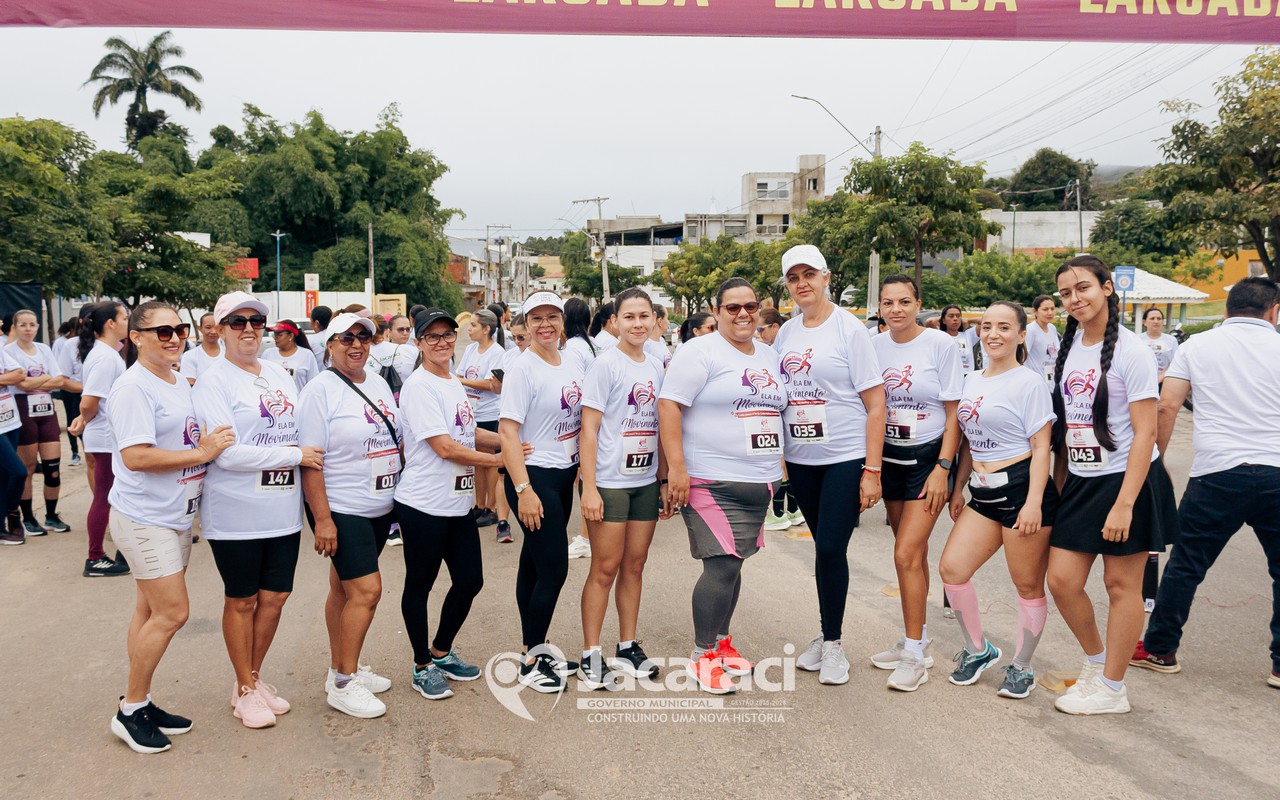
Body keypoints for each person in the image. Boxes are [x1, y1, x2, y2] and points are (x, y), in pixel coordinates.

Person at [1131, 277, 1280, 690]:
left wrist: (1155, 463)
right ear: (1273, 311)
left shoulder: (1197, 346)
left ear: (1228, 310)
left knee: (1187, 564)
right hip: (1276, 470)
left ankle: (1160, 649)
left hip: (1217, 472)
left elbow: (1167, 405)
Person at [1047, 255, 1179, 715]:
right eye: (1066, 293)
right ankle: (1096, 662)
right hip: (1082, 481)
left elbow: (1146, 432)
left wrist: (1125, 503)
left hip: (1128, 480)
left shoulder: (1131, 350)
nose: (1074, 298)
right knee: (1061, 581)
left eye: (1083, 287)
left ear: (1107, 288)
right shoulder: (1070, 347)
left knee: (1121, 585)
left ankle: (1112, 687)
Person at [106, 301, 235, 754]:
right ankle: (130, 710)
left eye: (179, 330)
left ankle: (139, 701)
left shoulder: (177, 379)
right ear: (136, 337)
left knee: (148, 611)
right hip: (145, 517)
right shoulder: (133, 388)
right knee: (172, 613)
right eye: (162, 331)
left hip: (174, 515)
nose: (175, 338)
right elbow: (135, 456)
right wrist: (202, 454)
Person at [192, 291, 320, 729]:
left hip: (282, 509)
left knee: (276, 596)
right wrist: (294, 456)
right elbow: (226, 454)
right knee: (243, 600)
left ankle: (251, 678)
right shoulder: (213, 381)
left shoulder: (279, 373)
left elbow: (298, 430)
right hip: (236, 513)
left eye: (256, 321)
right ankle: (245, 689)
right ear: (220, 329)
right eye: (237, 322)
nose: (248, 329)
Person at [659, 277, 787, 694]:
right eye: (733, 307)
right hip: (710, 479)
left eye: (750, 306)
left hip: (758, 480)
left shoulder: (768, 354)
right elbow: (669, 405)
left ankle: (721, 643)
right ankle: (702, 655)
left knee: (736, 563)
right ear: (717, 312)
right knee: (722, 565)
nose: (743, 314)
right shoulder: (700, 352)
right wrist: (675, 469)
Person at [774, 246, 886, 687]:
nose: (802, 284)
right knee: (823, 548)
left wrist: (872, 470)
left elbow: (876, 403)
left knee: (830, 549)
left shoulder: (849, 329)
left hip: (844, 455)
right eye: (793, 277)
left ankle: (834, 644)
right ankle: (825, 633)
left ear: (826, 277)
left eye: (809, 274)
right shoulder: (786, 333)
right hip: (802, 458)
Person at [940, 301, 1060, 699]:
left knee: (1027, 585)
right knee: (952, 569)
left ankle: (1022, 666)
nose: (993, 334)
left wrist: (1034, 502)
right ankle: (978, 650)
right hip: (982, 491)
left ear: (1021, 335)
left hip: (1023, 491)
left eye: (1004, 327)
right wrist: (958, 486)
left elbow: (1041, 448)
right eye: (987, 326)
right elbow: (969, 441)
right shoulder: (971, 379)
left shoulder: (1029, 383)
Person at [299, 312, 402, 719]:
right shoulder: (319, 391)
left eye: (364, 337)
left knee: (342, 590)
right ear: (330, 345)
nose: (357, 345)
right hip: (342, 507)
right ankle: (344, 684)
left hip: (378, 506)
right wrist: (323, 520)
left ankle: (341, 668)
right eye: (346, 338)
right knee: (367, 592)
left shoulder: (376, 382)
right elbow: (311, 461)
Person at [395, 308, 501, 701]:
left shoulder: (452, 381)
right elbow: (444, 447)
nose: (442, 342)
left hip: (457, 504)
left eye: (447, 335)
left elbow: (467, 432)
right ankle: (421, 665)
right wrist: (498, 460)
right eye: (432, 336)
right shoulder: (419, 386)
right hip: (423, 504)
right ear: (419, 343)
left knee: (470, 580)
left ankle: (441, 651)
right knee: (420, 585)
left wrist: (508, 442)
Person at [869, 276, 964, 692]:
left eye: (904, 301)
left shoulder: (941, 345)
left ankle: (914, 656)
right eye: (888, 302)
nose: (896, 309)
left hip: (928, 459)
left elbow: (955, 412)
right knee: (912, 553)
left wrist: (944, 466)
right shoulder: (873, 346)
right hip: (890, 456)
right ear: (880, 307)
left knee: (906, 552)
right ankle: (918, 639)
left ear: (918, 303)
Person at [577, 287, 668, 689]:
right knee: (605, 567)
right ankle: (590, 654)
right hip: (610, 483)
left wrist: (662, 479)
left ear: (654, 320)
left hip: (644, 481)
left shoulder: (657, 364)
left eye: (644, 316)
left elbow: (662, 426)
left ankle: (627, 646)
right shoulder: (605, 365)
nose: (637, 324)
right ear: (614, 321)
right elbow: (589, 429)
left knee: (635, 565)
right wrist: (589, 488)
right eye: (629, 316)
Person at [499, 291, 585, 693]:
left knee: (533, 564)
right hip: (534, 478)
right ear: (526, 324)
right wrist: (524, 490)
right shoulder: (522, 368)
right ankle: (532, 661)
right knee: (554, 569)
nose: (545, 324)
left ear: (562, 321)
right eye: (537, 318)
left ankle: (531, 646)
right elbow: (508, 431)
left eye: (553, 316)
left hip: (563, 475)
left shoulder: (571, 361)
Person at [68, 301, 131, 577]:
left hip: (108, 433)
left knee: (114, 495)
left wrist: (85, 418)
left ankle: (122, 550)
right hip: (106, 435)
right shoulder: (105, 357)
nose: (128, 322)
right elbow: (89, 401)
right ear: (110, 324)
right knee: (104, 496)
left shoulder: (108, 353)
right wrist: (85, 418)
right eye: (124, 318)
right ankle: (95, 558)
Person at [6, 309, 73, 535]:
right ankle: (28, 517)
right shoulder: (8, 351)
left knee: (52, 467)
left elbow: (59, 380)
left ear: (37, 326)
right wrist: (45, 379)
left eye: (32, 324)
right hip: (23, 409)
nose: (28, 329)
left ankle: (51, 516)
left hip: (47, 410)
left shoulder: (44, 349)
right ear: (15, 327)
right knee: (27, 467)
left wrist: (37, 381)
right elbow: (21, 384)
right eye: (23, 325)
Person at [457, 309, 506, 530]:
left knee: (489, 461)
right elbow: (459, 374)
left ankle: (491, 507)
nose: (469, 329)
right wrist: (462, 381)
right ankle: (479, 504)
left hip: (489, 413)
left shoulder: (497, 352)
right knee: (477, 460)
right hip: (471, 413)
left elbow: (490, 384)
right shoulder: (470, 349)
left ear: (486, 329)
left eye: (474, 325)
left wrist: (463, 382)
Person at [561, 297, 596, 560]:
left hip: (581, 416)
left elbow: (573, 383)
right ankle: (587, 535)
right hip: (591, 414)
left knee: (583, 476)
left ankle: (586, 537)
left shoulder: (572, 348)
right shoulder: (590, 344)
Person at [490, 314, 530, 544]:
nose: (517, 342)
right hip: (508, 422)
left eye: (521, 337)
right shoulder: (510, 356)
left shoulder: (546, 356)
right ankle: (502, 522)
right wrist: (497, 384)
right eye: (514, 337)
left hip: (531, 426)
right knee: (503, 473)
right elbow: (496, 390)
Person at [0, 348, 29, 545]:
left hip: (10, 421)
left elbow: (19, 374)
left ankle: (2, 527)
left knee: (3, 476)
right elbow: (13, 377)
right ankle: (13, 513)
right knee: (19, 471)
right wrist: (5, 378)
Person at [52, 319, 83, 467]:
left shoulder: (89, 343)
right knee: (71, 419)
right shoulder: (63, 343)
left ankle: (85, 450)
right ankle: (74, 452)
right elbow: (58, 365)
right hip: (70, 388)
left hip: (81, 388)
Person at [261, 320, 319, 391]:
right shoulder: (268, 354)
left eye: (279, 335)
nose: (275, 338)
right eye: (274, 334)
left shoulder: (307, 355)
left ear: (291, 336)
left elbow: (313, 384)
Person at [366, 314, 417, 390]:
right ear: (388, 331)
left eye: (408, 329)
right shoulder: (409, 350)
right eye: (400, 329)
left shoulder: (362, 356)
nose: (405, 333)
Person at [1025, 294, 1061, 385]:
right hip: (1037, 382)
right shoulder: (1030, 330)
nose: (1050, 313)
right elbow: (1022, 358)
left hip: (1052, 380)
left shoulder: (1052, 328)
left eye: (1052, 309)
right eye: (1045, 309)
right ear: (1035, 311)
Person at [178, 313, 223, 385]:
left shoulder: (230, 353)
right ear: (200, 328)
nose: (213, 331)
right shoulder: (190, 356)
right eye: (208, 327)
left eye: (216, 327)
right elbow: (190, 384)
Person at [941, 304, 979, 376]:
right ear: (943, 320)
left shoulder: (968, 335)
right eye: (951, 316)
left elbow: (986, 321)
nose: (955, 319)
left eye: (958, 316)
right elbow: (930, 321)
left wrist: (969, 320)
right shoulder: (940, 336)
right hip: (948, 376)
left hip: (967, 376)